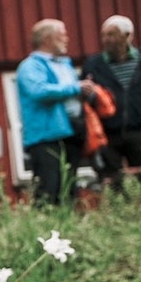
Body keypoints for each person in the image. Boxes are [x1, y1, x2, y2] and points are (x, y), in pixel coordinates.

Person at [16, 18, 99, 205]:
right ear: (47, 39)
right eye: (62, 35)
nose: (66, 39)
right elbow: (39, 91)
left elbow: (72, 95)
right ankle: (46, 229)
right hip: (45, 136)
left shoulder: (65, 65)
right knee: (48, 190)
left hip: (71, 133)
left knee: (69, 189)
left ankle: (67, 230)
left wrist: (86, 94)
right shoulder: (30, 66)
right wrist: (76, 88)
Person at [82, 15, 141, 189]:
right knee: (111, 181)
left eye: (111, 35)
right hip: (108, 133)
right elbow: (85, 102)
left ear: (128, 36)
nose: (106, 40)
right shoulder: (93, 65)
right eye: (104, 35)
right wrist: (90, 95)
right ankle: (118, 214)